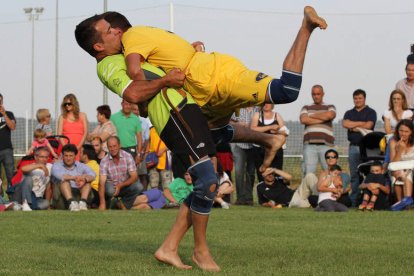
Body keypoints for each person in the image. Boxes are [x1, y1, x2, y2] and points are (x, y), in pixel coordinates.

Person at [74, 6, 328, 172]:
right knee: (212, 135)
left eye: (111, 29)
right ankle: (269, 139)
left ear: (119, 30)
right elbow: (174, 53)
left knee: (287, 91)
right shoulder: (147, 37)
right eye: (107, 31)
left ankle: (306, 28)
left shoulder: (133, 38)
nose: (113, 33)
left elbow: (134, 72)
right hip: (202, 90)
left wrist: (142, 104)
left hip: (218, 76)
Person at [342, 89, 377, 206]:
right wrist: (361, 124)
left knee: (369, 174)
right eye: (355, 98)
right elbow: (345, 124)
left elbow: (369, 125)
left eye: (360, 98)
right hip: (353, 148)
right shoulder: (349, 112)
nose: (357, 100)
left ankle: (368, 200)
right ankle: (354, 201)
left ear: (364, 99)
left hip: (368, 149)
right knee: (354, 176)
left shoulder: (371, 112)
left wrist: (353, 126)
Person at [98, 136, 144, 210]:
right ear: (107, 148)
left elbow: (134, 176)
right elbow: (101, 183)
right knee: (110, 190)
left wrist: (120, 185)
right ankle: (110, 202)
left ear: (120, 145)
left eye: (114, 146)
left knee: (139, 186)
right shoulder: (104, 161)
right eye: (110, 147)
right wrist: (102, 203)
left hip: (125, 185)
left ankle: (120, 203)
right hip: (112, 186)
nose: (112, 149)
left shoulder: (128, 156)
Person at [299, 84, 336, 175]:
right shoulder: (306, 107)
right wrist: (323, 118)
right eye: (314, 94)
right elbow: (303, 119)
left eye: (318, 94)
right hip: (309, 145)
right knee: (308, 172)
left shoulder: (330, 106)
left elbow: (330, 115)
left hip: (326, 144)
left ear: (323, 94)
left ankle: (330, 189)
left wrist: (312, 116)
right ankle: (308, 189)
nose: (316, 96)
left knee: (330, 171)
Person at [51, 144, 96, 211]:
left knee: (87, 182)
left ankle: (83, 203)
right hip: (62, 198)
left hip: (78, 194)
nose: (68, 158)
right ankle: (71, 203)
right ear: (62, 156)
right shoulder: (56, 165)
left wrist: (84, 179)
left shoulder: (81, 165)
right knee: (64, 181)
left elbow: (93, 175)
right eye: (66, 156)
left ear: (75, 156)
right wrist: (75, 178)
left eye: (71, 156)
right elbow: (60, 176)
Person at [251, 103, 288, 180]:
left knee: (276, 173)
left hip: (275, 150)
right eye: (264, 103)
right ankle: (263, 191)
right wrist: (270, 127)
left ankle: (277, 189)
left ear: (272, 105)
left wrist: (276, 132)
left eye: (268, 103)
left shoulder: (277, 115)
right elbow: (253, 129)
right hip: (260, 149)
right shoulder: (257, 115)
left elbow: (285, 132)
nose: (266, 105)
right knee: (262, 174)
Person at [12, 147, 52, 211]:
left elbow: (48, 187)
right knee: (28, 178)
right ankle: (26, 204)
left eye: (46, 157)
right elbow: (23, 169)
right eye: (41, 157)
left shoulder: (50, 167)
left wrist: (48, 206)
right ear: (36, 157)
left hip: (37, 198)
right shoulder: (31, 166)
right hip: (22, 195)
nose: (44, 159)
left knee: (46, 203)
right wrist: (40, 165)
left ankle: (21, 206)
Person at [231, 107, 257, 206]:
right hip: (239, 144)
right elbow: (229, 122)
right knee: (238, 172)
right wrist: (238, 124)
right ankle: (240, 198)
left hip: (253, 144)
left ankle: (249, 198)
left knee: (251, 172)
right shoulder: (238, 108)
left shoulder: (258, 109)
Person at [389, 119, 414, 210]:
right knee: (403, 173)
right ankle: (405, 203)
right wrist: (399, 151)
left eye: (406, 131)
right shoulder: (393, 141)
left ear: (411, 132)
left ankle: (404, 203)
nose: (403, 134)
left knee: (408, 172)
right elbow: (393, 164)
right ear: (397, 130)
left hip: (412, 168)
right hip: (397, 169)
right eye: (401, 131)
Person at [57, 93, 89, 161]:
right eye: (65, 104)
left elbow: (85, 132)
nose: (67, 105)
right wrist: (66, 148)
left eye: (69, 103)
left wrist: (78, 147)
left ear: (74, 103)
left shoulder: (82, 115)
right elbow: (60, 134)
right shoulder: (62, 117)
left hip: (79, 145)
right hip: (66, 146)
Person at [110, 100, 142, 165]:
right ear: (122, 104)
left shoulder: (136, 119)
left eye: (130, 104)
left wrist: (138, 155)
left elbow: (139, 139)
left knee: (131, 172)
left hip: (131, 150)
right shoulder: (113, 117)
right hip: (117, 149)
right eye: (126, 104)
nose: (128, 106)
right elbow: (109, 135)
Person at [131, 103, 151, 190]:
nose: (136, 112)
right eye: (134, 110)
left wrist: (144, 152)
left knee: (142, 174)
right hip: (129, 150)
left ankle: (143, 193)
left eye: (137, 110)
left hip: (140, 150)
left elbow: (147, 139)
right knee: (131, 174)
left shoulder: (144, 122)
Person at [0, 93, 16, 196]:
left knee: (11, 175)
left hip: (6, 149)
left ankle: (13, 197)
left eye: (0, 101)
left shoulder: (9, 114)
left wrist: (4, 114)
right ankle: (1, 199)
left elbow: (12, 127)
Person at [80, 144, 100, 208]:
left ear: (85, 156)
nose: (79, 155)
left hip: (92, 193)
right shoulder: (96, 164)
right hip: (99, 193)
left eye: (80, 152)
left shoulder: (86, 167)